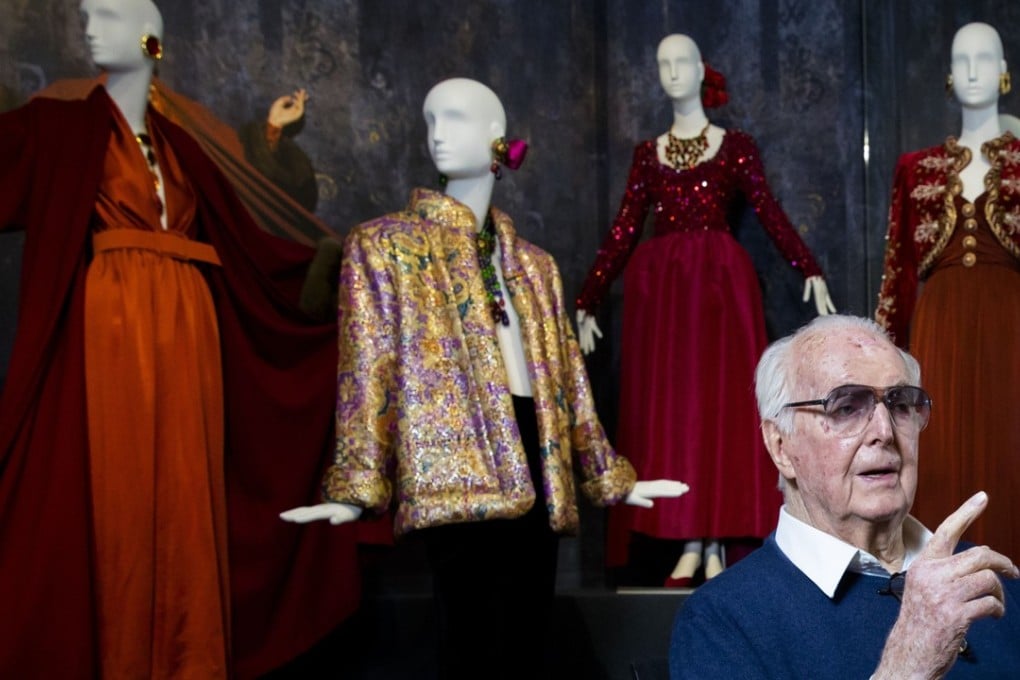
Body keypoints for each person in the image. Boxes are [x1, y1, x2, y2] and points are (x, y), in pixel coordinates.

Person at [281, 77, 687, 679]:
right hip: (455, 464)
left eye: (457, 118)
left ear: (498, 137)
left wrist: (610, 476)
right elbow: (368, 373)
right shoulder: (383, 246)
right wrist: (355, 484)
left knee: (527, 640)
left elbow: (568, 381)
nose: (439, 134)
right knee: (469, 644)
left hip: (536, 458)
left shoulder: (535, 265)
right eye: (430, 120)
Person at [0, 1, 360, 677]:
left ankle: (187, 658)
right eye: (86, 13)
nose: (87, 24)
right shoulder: (60, 124)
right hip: (112, 321)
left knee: (190, 493)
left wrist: (328, 271)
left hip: (191, 324)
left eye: (106, 14)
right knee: (120, 488)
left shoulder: (185, 144)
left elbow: (246, 230)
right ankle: (121, 657)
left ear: (149, 39)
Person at [576, 33, 835, 587]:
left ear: (701, 71)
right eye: (662, 63)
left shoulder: (735, 146)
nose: (671, 72)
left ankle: (716, 541)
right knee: (674, 415)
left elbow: (768, 210)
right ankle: (688, 540)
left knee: (719, 412)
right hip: (664, 299)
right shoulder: (649, 155)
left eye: (681, 62)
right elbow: (623, 228)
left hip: (719, 293)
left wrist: (807, 267)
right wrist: (588, 297)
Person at [669, 314, 1020, 679]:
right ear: (781, 447)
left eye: (900, 405)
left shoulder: (988, 579)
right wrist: (908, 666)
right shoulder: (720, 623)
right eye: (847, 406)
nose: (884, 432)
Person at [875, 21, 1020, 563]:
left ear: (1005, 73)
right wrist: (881, 373)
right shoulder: (914, 169)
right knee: (938, 453)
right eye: (963, 59)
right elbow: (896, 275)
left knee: (1011, 446)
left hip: (1011, 330)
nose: (975, 69)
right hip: (937, 333)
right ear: (948, 77)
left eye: (987, 58)